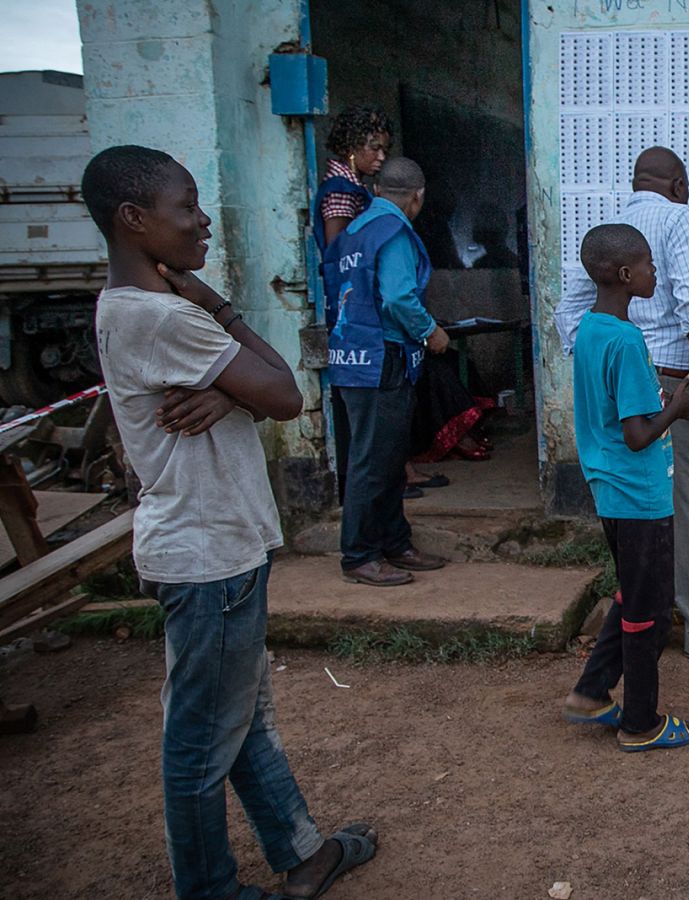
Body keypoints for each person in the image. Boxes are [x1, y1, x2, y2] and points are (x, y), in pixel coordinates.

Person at [84, 145, 378, 900]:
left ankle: (304, 853)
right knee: (200, 743)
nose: (203, 218)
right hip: (205, 554)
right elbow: (284, 391)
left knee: (239, 721)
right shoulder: (160, 316)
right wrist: (222, 315)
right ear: (134, 219)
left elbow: (255, 389)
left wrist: (229, 392)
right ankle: (208, 890)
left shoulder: (139, 310)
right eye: (186, 207)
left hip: (215, 546)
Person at [556, 147, 689, 659]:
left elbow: (569, 318)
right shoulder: (677, 218)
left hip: (625, 392)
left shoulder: (611, 231)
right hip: (678, 388)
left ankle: (647, 614)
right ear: (679, 184)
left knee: (646, 509)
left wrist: (608, 371)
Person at [560, 223, 689, 751]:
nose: (657, 273)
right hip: (640, 494)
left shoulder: (590, 329)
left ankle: (591, 693)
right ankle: (640, 723)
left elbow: (618, 409)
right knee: (650, 612)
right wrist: (678, 405)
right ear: (628, 275)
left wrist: (679, 400)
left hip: (610, 488)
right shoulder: (627, 339)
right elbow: (637, 434)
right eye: (651, 266)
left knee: (633, 595)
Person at [323, 157, 450, 587]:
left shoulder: (354, 231)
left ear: (377, 191)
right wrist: (431, 331)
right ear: (418, 197)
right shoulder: (394, 232)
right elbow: (397, 298)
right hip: (381, 358)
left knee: (385, 457)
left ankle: (395, 542)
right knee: (372, 462)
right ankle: (359, 555)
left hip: (349, 357)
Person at [314, 106, 391, 252]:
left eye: (385, 150)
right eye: (375, 148)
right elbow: (339, 252)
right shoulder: (341, 190)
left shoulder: (352, 186)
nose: (382, 157)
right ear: (352, 147)